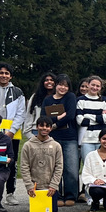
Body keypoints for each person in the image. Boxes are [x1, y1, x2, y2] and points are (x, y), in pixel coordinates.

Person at [0, 63, 26, 206]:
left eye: (7, 73)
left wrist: (12, 131)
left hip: (11, 134)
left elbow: (21, 113)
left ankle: (10, 193)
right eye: (1, 73)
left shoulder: (18, 92)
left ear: (11, 76)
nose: (4, 76)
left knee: (11, 163)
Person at [43, 75, 79, 205]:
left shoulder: (70, 97)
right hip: (52, 139)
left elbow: (70, 115)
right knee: (53, 168)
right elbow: (44, 118)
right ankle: (56, 195)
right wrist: (58, 118)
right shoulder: (47, 100)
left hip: (69, 138)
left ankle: (70, 195)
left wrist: (54, 124)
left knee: (71, 169)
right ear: (55, 85)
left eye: (66, 85)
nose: (63, 87)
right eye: (60, 84)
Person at [19, 116, 63, 212]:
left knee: (52, 211)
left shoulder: (56, 146)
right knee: (37, 210)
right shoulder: (28, 145)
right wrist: (29, 185)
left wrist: (54, 185)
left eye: (47, 126)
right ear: (37, 127)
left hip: (50, 187)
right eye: (41, 126)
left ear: (51, 128)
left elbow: (59, 167)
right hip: (35, 187)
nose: (44, 128)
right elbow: (24, 167)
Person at [76, 76, 106, 176]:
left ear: (101, 88)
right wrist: (98, 117)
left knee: (102, 167)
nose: (95, 88)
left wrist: (87, 115)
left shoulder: (105, 101)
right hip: (86, 140)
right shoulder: (80, 100)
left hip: (101, 139)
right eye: (93, 85)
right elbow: (80, 121)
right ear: (88, 85)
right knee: (89, 168)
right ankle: (87, 191)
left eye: (98, 86)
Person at [23, 72, 56, 140]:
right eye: (46, 80)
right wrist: (29, 134)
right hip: (36, 131)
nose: (49, 82)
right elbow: (29, 115)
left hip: (55, 132)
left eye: (52, 80)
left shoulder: (60, 98)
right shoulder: (35, 97)